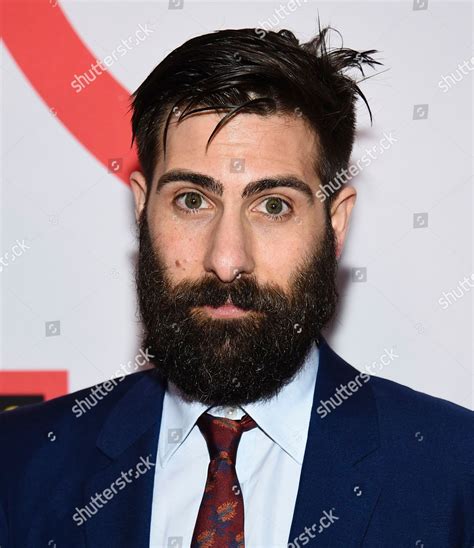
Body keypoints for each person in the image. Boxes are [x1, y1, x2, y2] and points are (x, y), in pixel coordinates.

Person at [1, 25, 472, 548]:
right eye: (191, 201)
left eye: (273, 206)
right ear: (141, 208)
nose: (227, 261)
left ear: (335, 224)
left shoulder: (456, 475)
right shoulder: (18, 466)